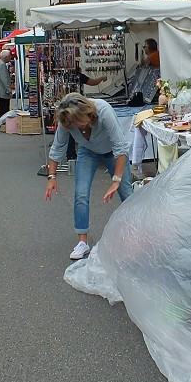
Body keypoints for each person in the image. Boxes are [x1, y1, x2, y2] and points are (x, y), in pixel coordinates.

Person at [43, 93, 133, 260]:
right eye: (73, 124)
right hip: (88, 151)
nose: (77, 127)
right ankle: (82, 242)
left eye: (78, 121)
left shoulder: (103, 110)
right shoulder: (66, 120)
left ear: (86, 112)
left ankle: (137, 234)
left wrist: (116, 180)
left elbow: (121, 148)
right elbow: (57, 148)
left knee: (126, 193)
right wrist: (52, 177)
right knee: (80, 193)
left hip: (113, 152)